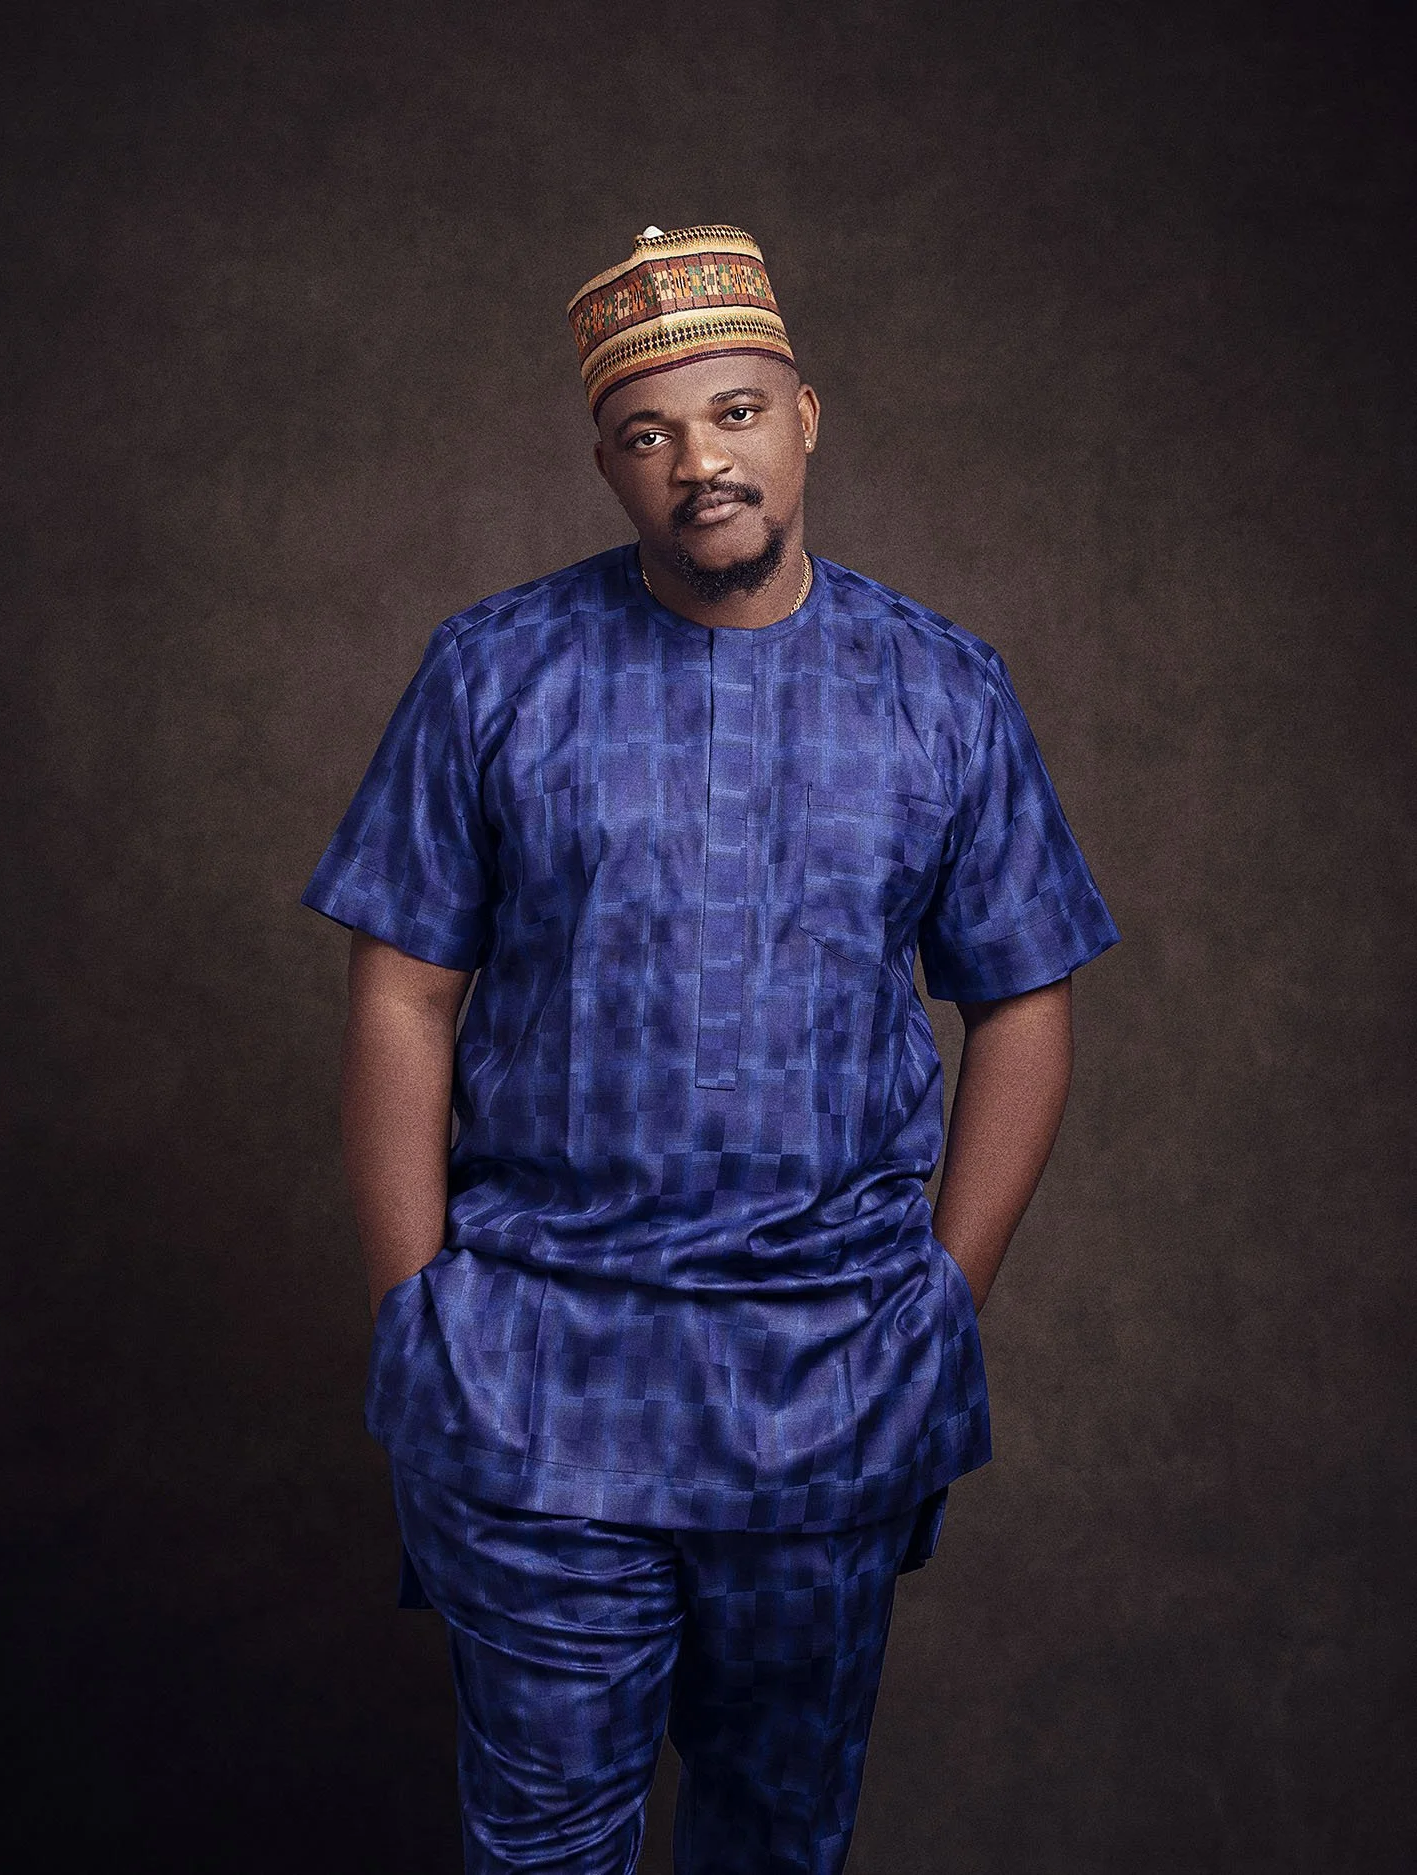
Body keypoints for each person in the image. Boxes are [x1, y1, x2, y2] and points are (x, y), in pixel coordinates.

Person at [302, 223, 1119, 1875]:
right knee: (543, 1852)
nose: (700, 463)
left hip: (829, 1386)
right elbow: (403, 995)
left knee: (776, 1841)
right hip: (538, 1379)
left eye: (735, 412)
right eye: (650, 433)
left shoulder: (943, 693)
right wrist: (418, 1315)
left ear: (805, 413)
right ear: (608, 459)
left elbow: (1026, 992)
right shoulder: (493, 675)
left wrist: (939, 1298)